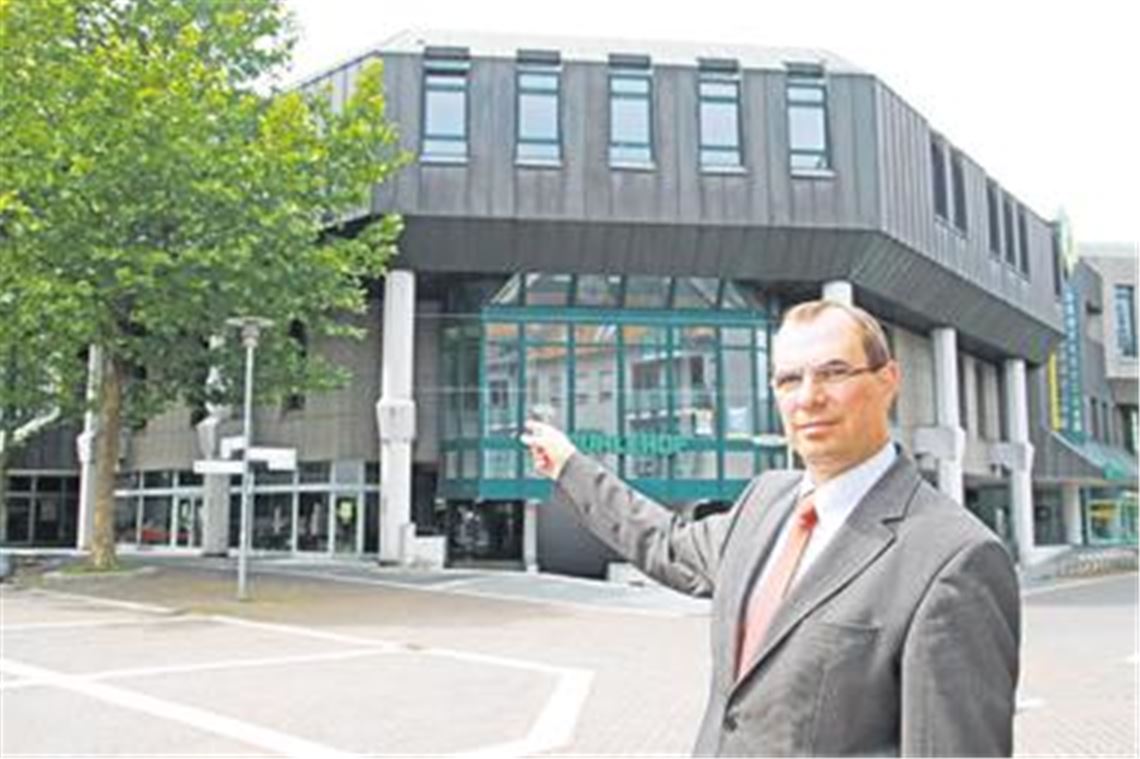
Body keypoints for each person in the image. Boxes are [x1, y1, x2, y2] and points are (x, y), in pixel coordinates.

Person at [521, 300, 1020, 757]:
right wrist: (570, 466)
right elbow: (668, 544)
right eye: (788, 379)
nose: (808, 398)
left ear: (888, 380)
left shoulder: (954, 558)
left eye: (834, 372)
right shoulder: (764, 502)